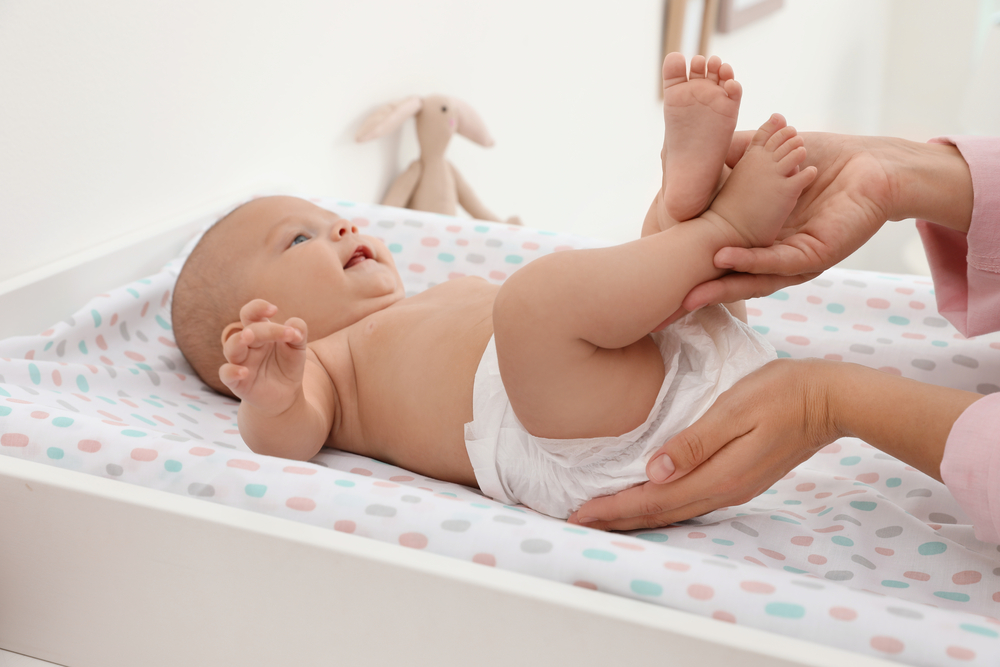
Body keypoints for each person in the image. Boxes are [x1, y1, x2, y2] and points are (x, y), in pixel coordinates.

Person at [171, 53, 817, 519]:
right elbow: (286, 437)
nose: (340, 225)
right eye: (300, 238)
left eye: (332, 218)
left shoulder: (422, 301)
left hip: (649, 360)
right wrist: (270, 394)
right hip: (565, 439)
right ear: (252, 329)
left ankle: (683, 208)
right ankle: (719, 226)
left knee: (615, 274)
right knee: (532, 306)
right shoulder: (321, 367)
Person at [568, 128, 1000, 543]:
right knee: (691, 314)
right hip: (673, 412)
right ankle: (700, 218)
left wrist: (824, 403)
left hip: (611, 434)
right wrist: (891, 171)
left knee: (564, 309)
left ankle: (702, 219)